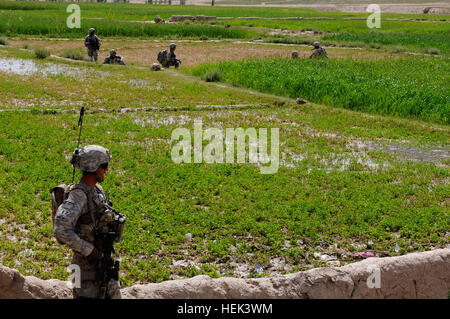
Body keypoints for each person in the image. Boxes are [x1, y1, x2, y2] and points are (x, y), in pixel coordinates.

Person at [54, 145, 123, 299]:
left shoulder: (97, 190)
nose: (106, 170)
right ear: (93, 167)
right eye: (104, 166)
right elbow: (60, 228)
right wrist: (88, 250)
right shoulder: (78, 196)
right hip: (85, 272)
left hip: (103, 265)